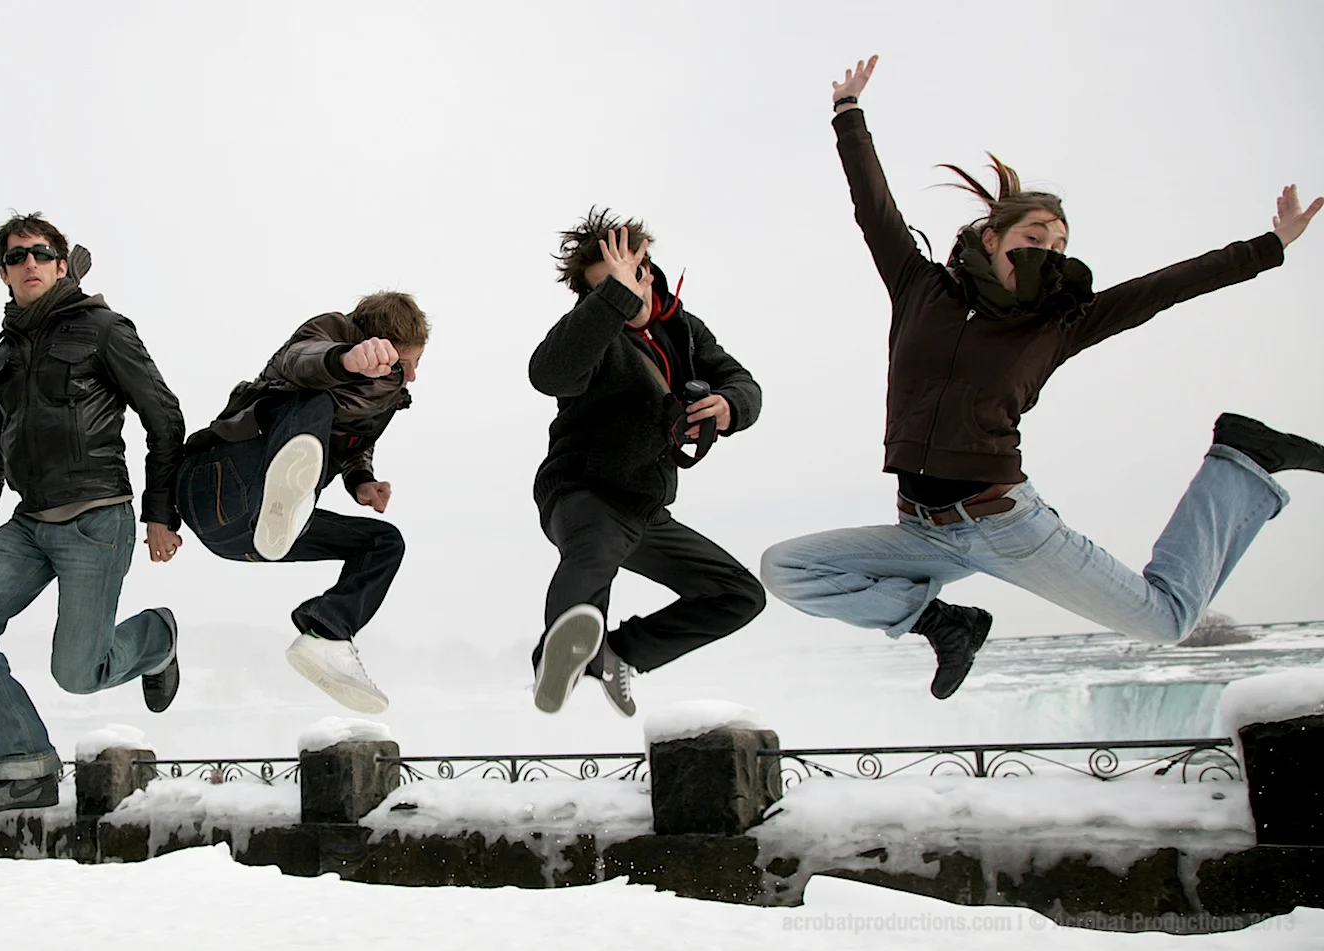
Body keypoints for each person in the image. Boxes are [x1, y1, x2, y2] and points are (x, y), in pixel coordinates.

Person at [761, 57, 1324, 698]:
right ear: (993, 238)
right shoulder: (921, 289)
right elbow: (874, 209)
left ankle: (1239, 461)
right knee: (788, 567)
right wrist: (848, 114)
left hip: (1006, 526)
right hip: (921, 529)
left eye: (1059, 243)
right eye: (1035, 235)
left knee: (1168, 621)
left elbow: (1164, 287)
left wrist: (1268, 246)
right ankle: (943, 623)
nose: (1049, 249)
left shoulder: (1058, 323)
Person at [0, 214, 186, 816]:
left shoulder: (103, 330)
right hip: (28, 525)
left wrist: (161, 514)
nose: (29, 263)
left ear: (58, 264)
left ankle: (156, 638)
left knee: (77, 673)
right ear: (3, 273)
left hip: (97, 520)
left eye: (41, 253)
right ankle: (25, 767)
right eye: (16, 256)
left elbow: (164, 418)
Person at [527, 209, 767, 718]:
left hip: (645, 506)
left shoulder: (685, 331)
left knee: (739, 595)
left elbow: (743, 383)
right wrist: (610, 301)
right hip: (584, 489)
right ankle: (556, 658)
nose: (626, 290)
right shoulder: (592, 333)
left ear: (649, 270)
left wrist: (730, 406)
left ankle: (619, 654)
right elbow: (550, 374)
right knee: (594, 552)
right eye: (606, 286)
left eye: (631, 276)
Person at [175, 293, 430, 713]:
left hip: (247, 539)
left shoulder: (384, 403)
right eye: (407, 364)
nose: (413, 376)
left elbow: (354, 446)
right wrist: (347, 359)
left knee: (384, 542)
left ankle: (328, 636)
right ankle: (283, 499)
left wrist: (362, 481)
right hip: (218, 485)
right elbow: (299, 360)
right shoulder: (330, 331)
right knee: (313, 397)